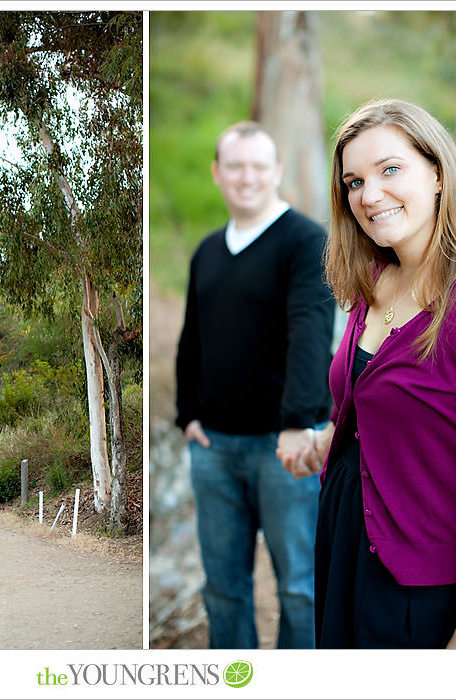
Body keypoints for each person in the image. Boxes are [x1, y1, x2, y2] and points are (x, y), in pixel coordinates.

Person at [293, 98, 456, 649]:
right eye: (353, 181)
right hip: (344, 550)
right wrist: (327, 441)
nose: (369, 195)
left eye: (391, 169)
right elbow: (379, 408)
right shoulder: (374, 280)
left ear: (437, 173)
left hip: (427, 591)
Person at [175, 121, 335, 649]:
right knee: (223, 588)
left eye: (259, 166)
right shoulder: (206, 252)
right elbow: (191, 340)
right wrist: (188, 414)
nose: (247, 177)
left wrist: (296, 423)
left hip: (283, 447)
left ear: (277, 172)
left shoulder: (306, 241)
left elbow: (311, 336)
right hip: (214, 447)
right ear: (218, 173)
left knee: (301, 588)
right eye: (236, 166)